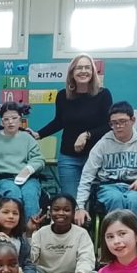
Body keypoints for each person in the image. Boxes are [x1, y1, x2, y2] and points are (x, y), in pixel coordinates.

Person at [31, 54, 113, 199]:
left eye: (87, 67)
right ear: (72, 72)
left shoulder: (103, 94)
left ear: (93, 71)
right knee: (70, 200)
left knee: (95, 200)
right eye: (79, 68)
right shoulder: (63, 96)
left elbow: (108, 125)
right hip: (68, 157)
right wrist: (38, 134)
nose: (83, 71)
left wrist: (86, 134)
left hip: (95, 156)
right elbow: (59, 121)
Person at [74, 101, 137, 225]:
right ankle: (115, 233)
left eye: (123, 121)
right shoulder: (103, 144)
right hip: (107, 186)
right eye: (114, 123)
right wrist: (80, 206)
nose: (118, 126)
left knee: (134, 201)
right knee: (115, 198)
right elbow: (87, 175)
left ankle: (136, 234)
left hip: (133, 188)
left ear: (133, 120)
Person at [0, 102, 45, 222]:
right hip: (3, 178)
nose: (10, 122)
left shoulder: (27, 138)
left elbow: (39, 160)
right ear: (1, 122)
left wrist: (28, 169)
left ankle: (31, 229)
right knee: (13, 194)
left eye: (14, 118)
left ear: (20, 119)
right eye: (6, 119)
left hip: (27, 177)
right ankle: (14, 229)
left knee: (30, 194)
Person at [30, 194, 97, 273]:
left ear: (73, 212)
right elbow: (31, 259)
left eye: (66, 210)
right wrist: (29, 234)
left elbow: (86, 258)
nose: (61, 213)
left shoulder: (81, 233)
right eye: (56, 209)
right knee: (27, 271)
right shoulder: (41, 232)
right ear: (50, 212)